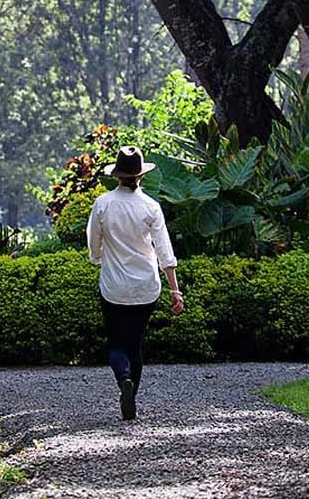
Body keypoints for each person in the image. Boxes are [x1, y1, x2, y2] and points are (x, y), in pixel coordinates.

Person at [86, 145, 184, 421]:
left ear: (117, 175)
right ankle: (132, 394)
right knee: (136, 344)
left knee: (117, 342)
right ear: (140, 175)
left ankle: (123, 379)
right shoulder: (151, 207)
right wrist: (175, 290)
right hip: (146, 287)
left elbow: (94, 243)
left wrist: (99, 257)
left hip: (114, 286)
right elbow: (165, 252)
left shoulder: (103, 204)